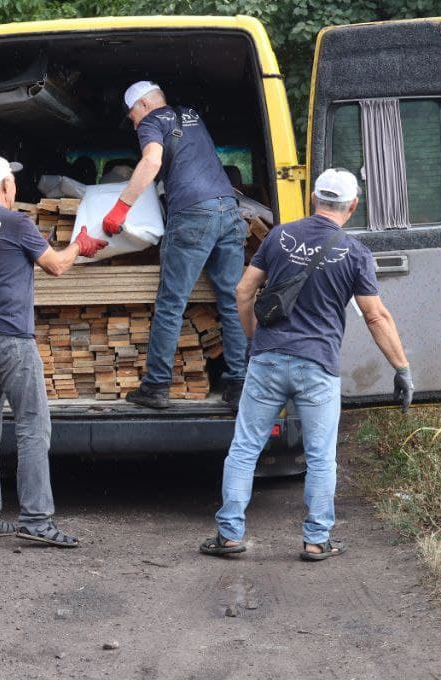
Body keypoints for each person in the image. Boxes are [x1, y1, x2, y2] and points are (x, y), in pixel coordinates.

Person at [201, 168, 414, 561]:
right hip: (318, 365)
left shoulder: (279, 236)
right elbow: (375, 316)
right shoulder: (355, 253)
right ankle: (316, 540)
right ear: (353, 205)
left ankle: (229, 535)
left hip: (267, 359)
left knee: (245, 449)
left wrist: (253, 338)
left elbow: (243, 290)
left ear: (314, 198)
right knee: (320, 457)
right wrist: (401, 369)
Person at [0, 154, 107, 547]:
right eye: (13, 181)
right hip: (9, 339)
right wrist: (79, 245)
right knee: (33, 427)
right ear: (6, 186)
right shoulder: (15, 223)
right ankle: (36, 520)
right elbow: (55, 265)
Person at [101, 81, 248, 410]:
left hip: (193, 215)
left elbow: (152, 161)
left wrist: (121, 208)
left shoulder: (152, 121)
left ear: (142, 105)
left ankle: (155, 386)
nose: (134, 124)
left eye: (132, 116)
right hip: (228, 209)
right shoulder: (191, 115)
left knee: (171, 304)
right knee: (231, 301)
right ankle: (238, 384)